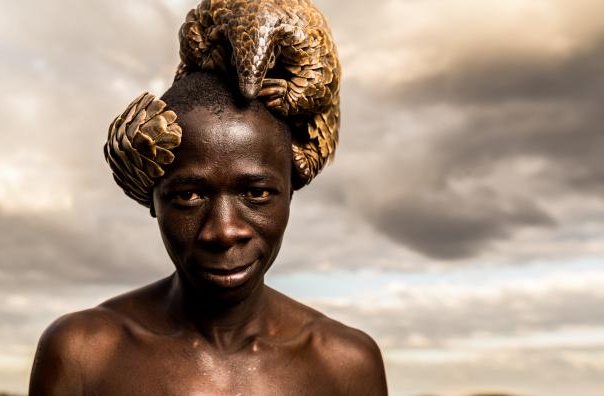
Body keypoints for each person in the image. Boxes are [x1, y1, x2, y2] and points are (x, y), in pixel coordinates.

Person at [29, 71, 387, 395]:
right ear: (151, 199)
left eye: (257, 193)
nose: (224, 231)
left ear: (291, 191)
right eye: (188, 196)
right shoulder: (84, 356)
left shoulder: (346, 367)